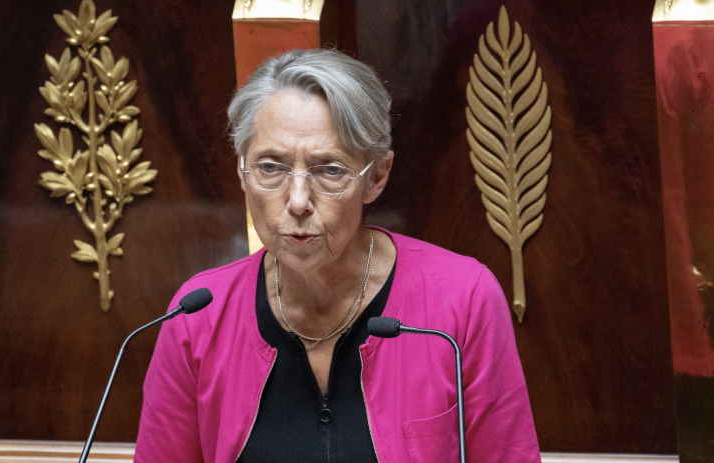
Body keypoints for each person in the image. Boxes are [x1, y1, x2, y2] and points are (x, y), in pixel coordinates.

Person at [134, 48, 540, 462]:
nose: (296, 201)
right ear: (242, 172)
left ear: (376, 177)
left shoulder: (462, 300)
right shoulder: (197, 317)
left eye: (330, 170)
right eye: (270, 167)